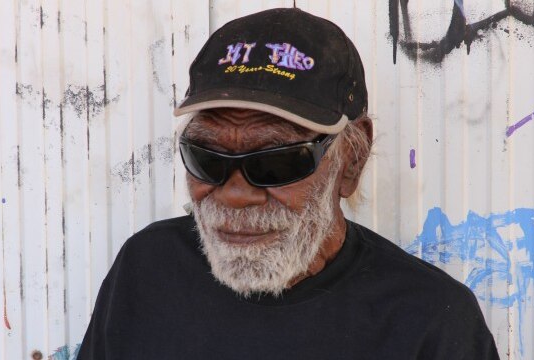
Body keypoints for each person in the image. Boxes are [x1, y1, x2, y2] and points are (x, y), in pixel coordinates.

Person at [77, 8, 499, 359]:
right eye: (207, 158)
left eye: (277, 162)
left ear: (350, 160)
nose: (235, 194)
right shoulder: (147, 270)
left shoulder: (432, 321)